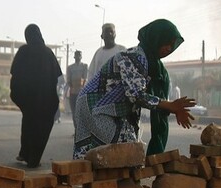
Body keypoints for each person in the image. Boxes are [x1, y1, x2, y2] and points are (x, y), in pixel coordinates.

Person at [73, 18, 196, 159]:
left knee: (129, 150)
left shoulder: (158, 70)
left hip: (116, 110)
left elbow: (150, 99)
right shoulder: (133, 57)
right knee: (120, 152)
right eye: (167, 42)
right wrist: (169, 105)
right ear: (156, 38)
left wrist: (170, 108)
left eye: (172, 45)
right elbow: (136, 95)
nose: (169, 48)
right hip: (94, 105)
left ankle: (114, 179)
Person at [10, 24, 63, 168]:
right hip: (46, 100)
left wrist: (19, 95)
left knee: (28, 124)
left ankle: (25, 153)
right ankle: (34, 157)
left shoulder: (23, 51)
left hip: (28, 100)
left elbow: (15, 75)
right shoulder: (48, 53)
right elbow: (57, 77)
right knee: (42, 128)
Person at [66, 50, 88, 130]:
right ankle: (76, 129)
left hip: (81, 92)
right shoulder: (70, 67)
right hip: (73, 93)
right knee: (74, 112)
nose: (78, 57)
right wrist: (73, 84)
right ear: (74, 56)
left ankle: (81, 130)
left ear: (81, 57)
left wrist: (80, 84)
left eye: (79, 55)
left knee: (81, 112)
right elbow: (68, 80)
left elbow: (85, 78)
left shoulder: (84, 66)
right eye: (77, 55)